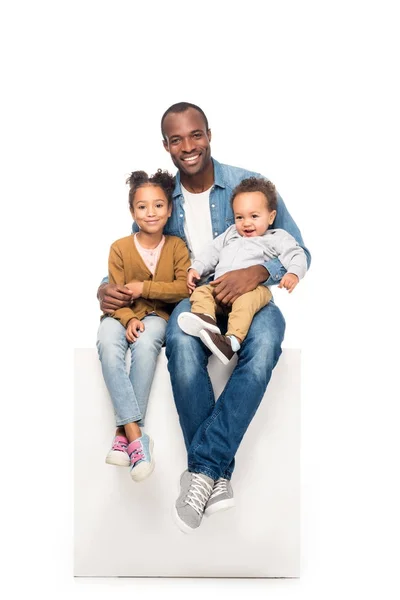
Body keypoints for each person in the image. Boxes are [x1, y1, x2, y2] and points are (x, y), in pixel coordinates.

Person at [97, 102, 311, 532]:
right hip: (198, 299)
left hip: (253, 296)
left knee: (267, 343)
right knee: (179, 341)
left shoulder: (248, 186)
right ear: (166, 146)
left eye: (196, 135)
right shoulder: (164, 198)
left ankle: (202, 471)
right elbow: (144, 249)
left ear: (209, 134)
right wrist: (105, 286)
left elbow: (298, 251)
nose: (188, 146)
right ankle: (216, 475)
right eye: (177, 140)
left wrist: (258, 271)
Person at [97, 169, 190, 483]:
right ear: (131, 211)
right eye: (142, 207)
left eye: (158, 205)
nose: (151, 213)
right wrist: (128, 318)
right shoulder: (120, 248)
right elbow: (117, 291)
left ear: (169, 209)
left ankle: (122, 435)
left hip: (156, 318)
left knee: (148, 344)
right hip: (119, 316)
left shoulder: (177, 247)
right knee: (108, 345)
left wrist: (145, 289)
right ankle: (137, 435)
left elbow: (182, 288)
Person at [177, 176, 308, 365]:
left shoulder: (276, 238)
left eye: (254, 216)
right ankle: (206, 321)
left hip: (253, 290)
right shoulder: (231, 234)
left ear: (271, 217)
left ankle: (231, 341)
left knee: (245, 304)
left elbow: (297, 254)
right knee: (200, 292)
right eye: (240, 217)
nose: (246, 223)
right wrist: (196, 268)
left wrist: (293, 273)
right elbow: (211, 252)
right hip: (220, 288)